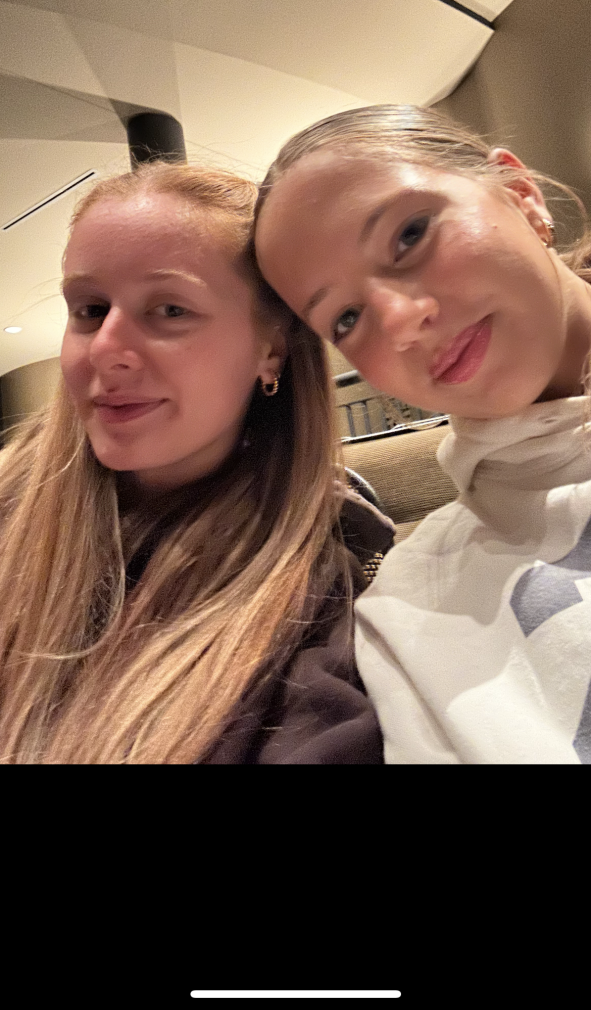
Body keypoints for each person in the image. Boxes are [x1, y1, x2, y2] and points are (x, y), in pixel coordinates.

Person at [0, 160, 393, 764]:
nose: (105, 349)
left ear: (270, 349)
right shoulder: (13, 506)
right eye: (90, 309)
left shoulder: (331, 591)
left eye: (170, 310)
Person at [254, 103, 591, 764]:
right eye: (346, 318)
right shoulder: (414, 607)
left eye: (409, 235)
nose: (401, 322)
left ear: (521, 195)